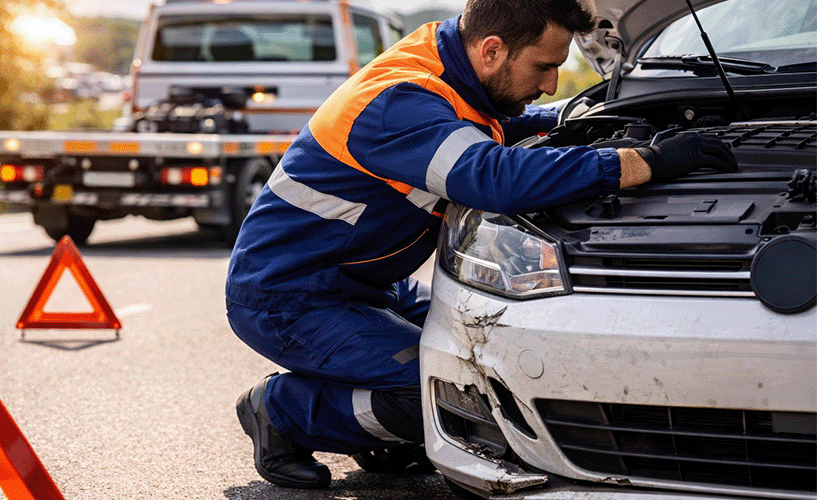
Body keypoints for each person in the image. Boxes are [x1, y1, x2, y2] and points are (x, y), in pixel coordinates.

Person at [227, 0, 737, 489]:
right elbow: (489, 175)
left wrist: (578, 117)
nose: (551, 82)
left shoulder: (453, 66)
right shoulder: (397, 99)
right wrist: (640, 162)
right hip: (288, 296)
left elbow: (495, 123)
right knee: (446, 385)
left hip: (361, 282)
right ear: (492, 49)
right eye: (543, 67)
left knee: (495, 349)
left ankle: (379, 429)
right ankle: (281, 412)